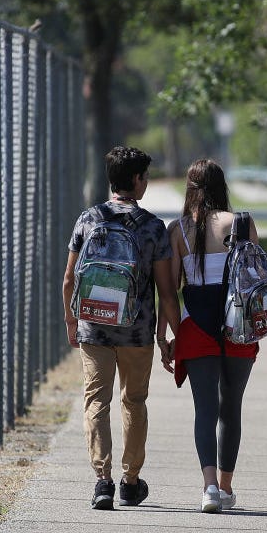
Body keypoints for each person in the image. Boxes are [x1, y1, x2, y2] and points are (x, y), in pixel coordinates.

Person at [62, 146, 181, 510]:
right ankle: (130, 482)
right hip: (136, 330)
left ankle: (102, 481)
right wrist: (168, 336)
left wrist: (71, 322)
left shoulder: (89, 218)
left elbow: (69, 280)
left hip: (94, 327)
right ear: (136, 180)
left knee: (96, 400)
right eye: (145, 176)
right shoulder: (152, 227)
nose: (146, 182)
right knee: (134, 401)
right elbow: (166, 291)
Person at [158, 159, 260, 513]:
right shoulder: (242, 224)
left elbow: (169, 292)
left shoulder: (179, 230)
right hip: (238, 326)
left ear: (190, 188)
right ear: (222, 186)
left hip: (196, 324)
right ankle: (228, 487)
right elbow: (255, 281)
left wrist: (172, 333)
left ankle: (210, 488)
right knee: (231, 408)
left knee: (205, 409)